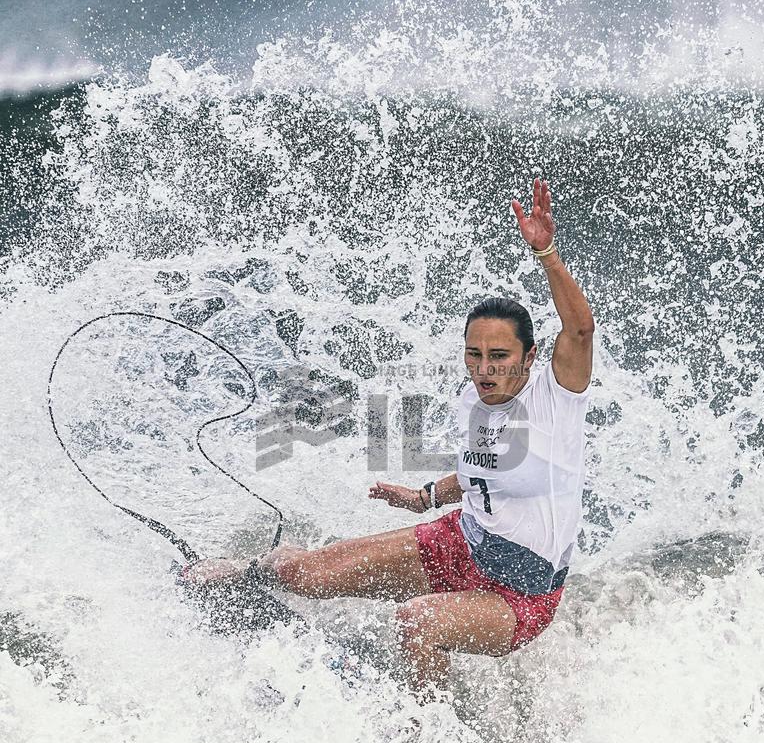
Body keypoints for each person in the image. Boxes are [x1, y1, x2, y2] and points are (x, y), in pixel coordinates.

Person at [182, 179, 594, 701]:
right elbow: (484, 474)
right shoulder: (473, 402)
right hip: (461, 542)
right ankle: (234, 578)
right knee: (298, 571)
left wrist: (547, 252)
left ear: (530, 357)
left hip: (520, 595)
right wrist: (425, 496)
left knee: (417, 621)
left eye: (499, 357)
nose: (484, 370)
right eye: (474, 355)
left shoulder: (556, 402)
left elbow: (579, 331)